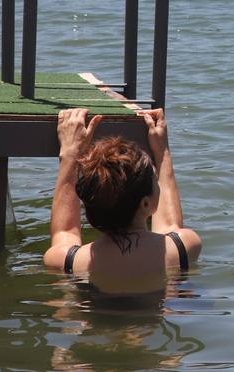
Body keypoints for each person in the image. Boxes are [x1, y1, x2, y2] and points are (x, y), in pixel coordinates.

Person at [44, 107, 201, 293]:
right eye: (154, 179)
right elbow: (170, 226)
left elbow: (65, 231)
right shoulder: (185, 247)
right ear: (145, 204)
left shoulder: (69, 261)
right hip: (158, 316)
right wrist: (162, 152)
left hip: (93, 319)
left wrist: (70, 154)